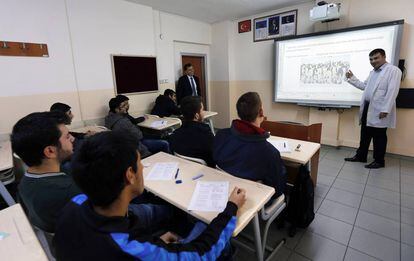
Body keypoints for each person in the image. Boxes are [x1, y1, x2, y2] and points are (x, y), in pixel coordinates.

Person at [54, 131, 246, 260]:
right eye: (139, 164)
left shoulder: (74, 204)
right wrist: (231, 208)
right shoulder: (128, 246)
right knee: (204, 223)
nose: (143, 168)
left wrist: (152, 244)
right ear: (130, 175)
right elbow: (201, 254)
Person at [11, 111, 81, 232]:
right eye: (67, 136)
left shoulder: (25, 181)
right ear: (50, 151)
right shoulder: (70, 191)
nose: (72, 140)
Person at [214, 92, 286, 198]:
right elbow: (277, 190)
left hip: (224, 191)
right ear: (261, 112)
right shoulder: (270, 152)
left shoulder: (220, 135)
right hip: (254, 200)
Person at [344, 48, 402, 169]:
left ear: (384, 57)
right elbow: (364, 86)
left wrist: (385, 109)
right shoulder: (373, 72)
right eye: (371, 59)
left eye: (376, 58)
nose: (373, 61)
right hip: (368, 108)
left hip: (380, 110)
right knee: (364, 134)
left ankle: (379, 161)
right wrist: (352, 77)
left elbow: (392, 91)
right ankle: (361, 156)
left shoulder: (393, 71)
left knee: (379, 136)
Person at [104, 96, 169, 158]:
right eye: (123, 106)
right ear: (116, 110)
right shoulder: (123, 121)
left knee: (156, 135)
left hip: (124, 146)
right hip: (136, 145)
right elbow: (139, 136)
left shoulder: (108, 118)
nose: (126, 107)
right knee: (164, 143)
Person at [169, 96, 215, 167]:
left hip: (184, 169)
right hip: (205, 172)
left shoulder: (175, 134)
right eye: (202, 110)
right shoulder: (205, 134)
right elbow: (214, 157)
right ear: (196, 116)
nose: (204, 113)